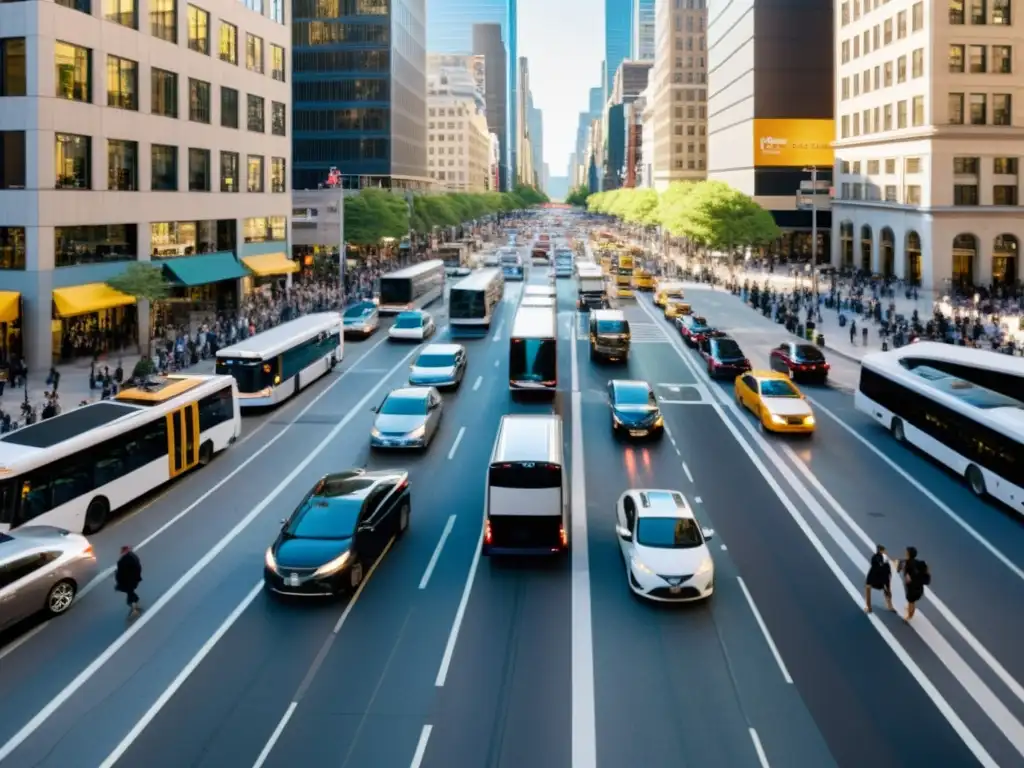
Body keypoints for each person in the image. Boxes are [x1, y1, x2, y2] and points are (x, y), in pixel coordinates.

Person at [897, 546, 930, 622]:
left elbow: (898, 569)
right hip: (919, 587)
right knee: (912, 601)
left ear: (908, 554)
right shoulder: (921, 563)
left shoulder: (905, 563)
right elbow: (926, 569)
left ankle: (909, 616)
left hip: (911, 589)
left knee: (911, 602)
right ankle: (910, 611)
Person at [115, 545, 143, 619]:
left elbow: (121, 573)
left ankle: (134, 610)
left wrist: (119, 580)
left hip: (127, 581)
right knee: (131, 593)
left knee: (130, 596)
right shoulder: (133, 557)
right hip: (133, 579)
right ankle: (135, 606)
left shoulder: (123, 561)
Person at [864, 544, 893, 613]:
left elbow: (875, 566)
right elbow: (887, 567)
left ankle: (869, 607)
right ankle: (890, 606)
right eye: (884, 550)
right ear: (882, 551)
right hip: (883, 576)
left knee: (868, 588)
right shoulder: (884, 557)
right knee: (887, 589)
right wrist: (889, 575)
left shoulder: (874, 557)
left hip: (874, 576)